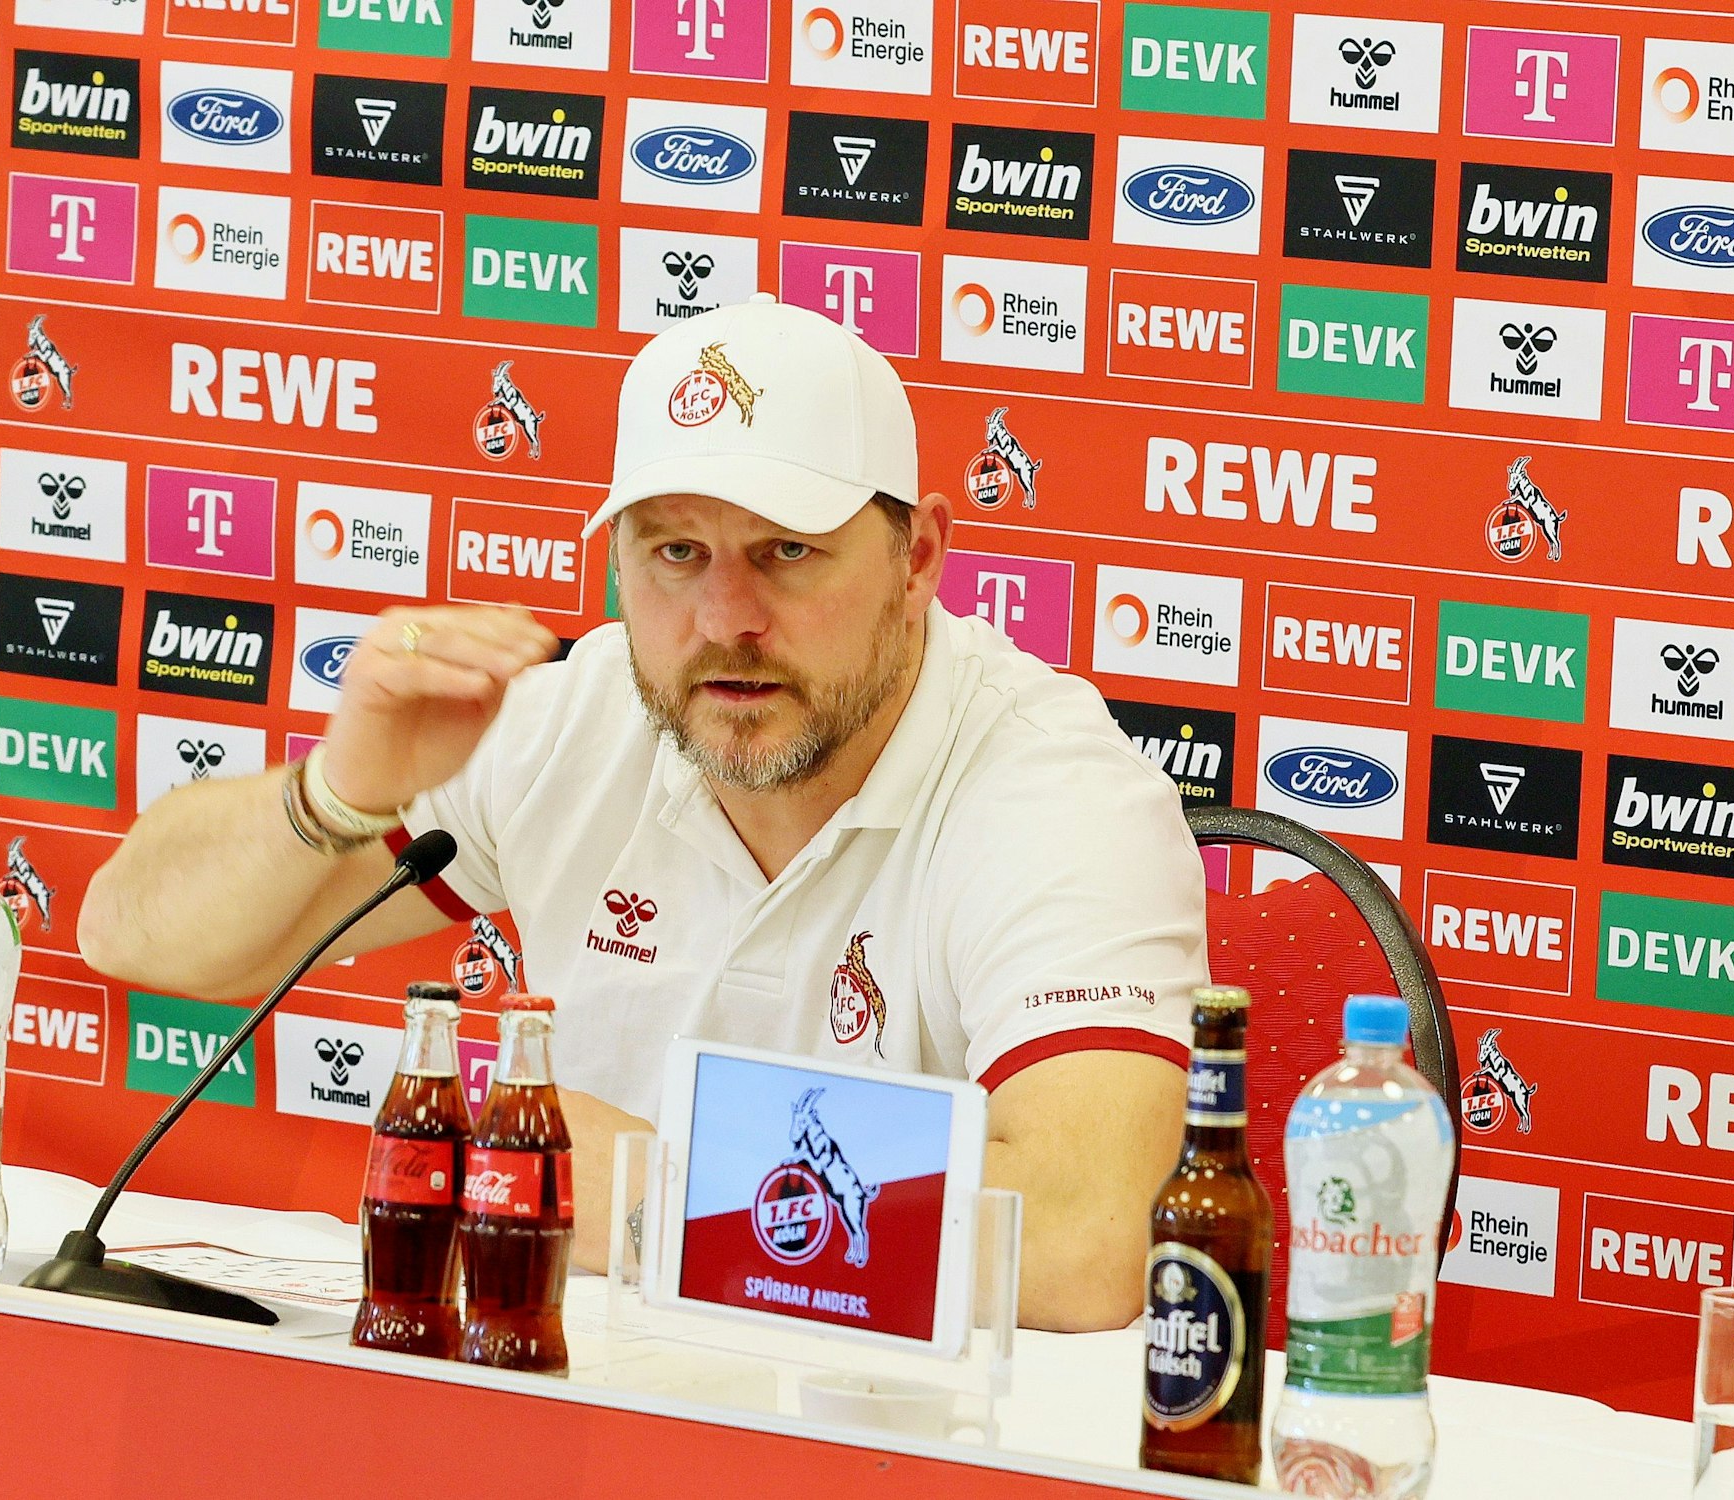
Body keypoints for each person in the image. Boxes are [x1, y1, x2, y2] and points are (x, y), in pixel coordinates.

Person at [80, 295, 1208, 1332]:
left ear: (916, 558)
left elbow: (1089, 1238)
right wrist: (335, 789)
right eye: (675, 551)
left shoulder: (1052, 790)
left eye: (787, 553)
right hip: (592, 1407)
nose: (726, 618)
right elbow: (130, 935)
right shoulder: (568, 714)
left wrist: (643, 1178)